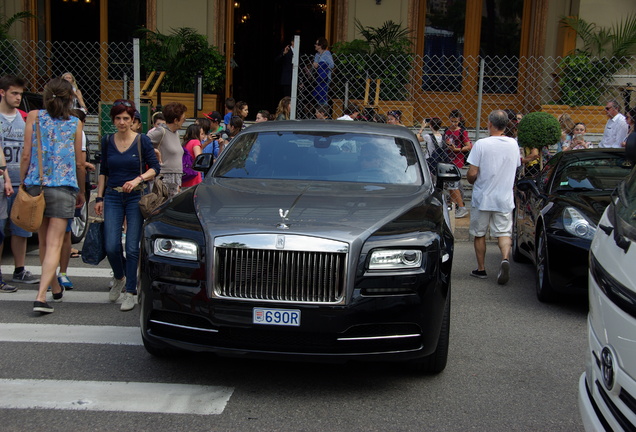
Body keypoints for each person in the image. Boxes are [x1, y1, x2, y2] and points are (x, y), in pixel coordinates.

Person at [20, 77, 86, 314]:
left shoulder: (34, 117)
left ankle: (55, 287)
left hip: (36, 185)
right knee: (55, 243)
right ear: (71, 98)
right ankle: (41, 296)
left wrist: (24, 181)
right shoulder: (75, 123)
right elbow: (80, 163)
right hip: (63, 186)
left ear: (46, 96)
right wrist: (81, 191)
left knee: (43, 242)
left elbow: (26, 154)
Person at [95, 99, 159, 312]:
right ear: (113, 120)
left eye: (126, 118)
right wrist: (99, 197)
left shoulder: (142, 141)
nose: (122, 122)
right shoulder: (107, 140)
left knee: (132, 247)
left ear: (133, 120)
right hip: (112, 196)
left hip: (135, 196)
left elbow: (155, 168)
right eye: (118, 118)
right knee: (111, 245)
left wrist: (138, 179)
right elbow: (103, 170)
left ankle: (131, 291)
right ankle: (119, 276)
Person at [466, 110, 520, 285]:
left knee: (479, 234)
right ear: (505, 125)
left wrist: (471, 178)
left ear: (489, 123)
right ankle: (504, 258)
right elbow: (516, 166)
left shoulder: (481, 144)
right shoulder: (513, 144)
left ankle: (481, 269)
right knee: (503, 233)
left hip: (483, 197)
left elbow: (472, 173)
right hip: (504, 197)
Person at [0, 75, 40, 288]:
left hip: (21, 180)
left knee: (21, 228)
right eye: (14, 93)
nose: (18, 97)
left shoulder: (23, 117)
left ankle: (19, 269)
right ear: (2, 92)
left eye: (20, 94)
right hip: (1, 181)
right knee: (0, 227)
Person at [147, 101, 186, 197]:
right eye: (183, 119)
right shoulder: (161, 131)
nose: (184, 121)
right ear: (176, 120)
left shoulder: (175, 133)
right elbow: (142, 142)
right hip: (163, 177)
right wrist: (154, 152)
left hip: (176, 177)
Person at [443, 109, 472, 218]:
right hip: (448, 159)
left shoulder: (462, 131)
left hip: (457, 160)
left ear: (459, 121)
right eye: (452, 121)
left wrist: (457, 149)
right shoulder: (447, 130)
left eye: (456, 122)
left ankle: (461, 207)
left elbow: (468, 146)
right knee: (453, 185)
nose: (453, 124)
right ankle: (454, 206)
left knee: (454, 184)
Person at [312, 37, 334, 107]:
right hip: (318, 77)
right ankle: (319, 109)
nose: (315, 45)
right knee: (318, 95)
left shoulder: (327, 53)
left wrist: (321, 64)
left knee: (323, 94)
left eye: (316, 44)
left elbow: (331, 65)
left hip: (325, 77)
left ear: (321, 45)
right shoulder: (317, 54)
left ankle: (324, 110)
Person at [182, 123, 203, 188]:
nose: (203, 136)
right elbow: (199, 157)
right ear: (196, 134)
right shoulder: (196, 142)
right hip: (194, 176)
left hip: (186, 175)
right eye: (202, 134)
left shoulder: (185, 143)